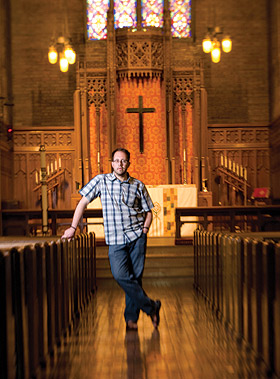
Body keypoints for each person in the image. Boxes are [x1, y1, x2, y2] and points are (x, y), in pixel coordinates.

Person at [62, 148, 161, 331]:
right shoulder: (101, 181)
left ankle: (131, 319)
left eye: (123, 161)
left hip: (137, 237)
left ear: (128, 163)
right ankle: (151, 307)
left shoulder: (138, 185)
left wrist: (144, 230)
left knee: (135, 278)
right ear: (112, 163)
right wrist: (73, 227)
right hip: (115, 240)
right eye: (116, 161)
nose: (120, 164)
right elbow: (82, 202)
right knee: (121, 276)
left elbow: (149, 211)